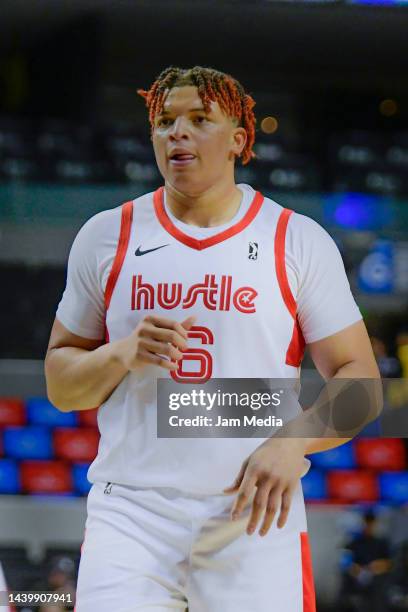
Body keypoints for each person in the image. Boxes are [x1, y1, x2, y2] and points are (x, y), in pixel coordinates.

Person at [44, 66, 380, 611]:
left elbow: (362, 385)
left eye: (200, 119)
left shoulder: (295, 240)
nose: (178, 132)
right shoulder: (107, 235)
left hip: (253, 517)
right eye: (164, 121)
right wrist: (121, 352)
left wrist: (294, 442)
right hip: (131, 514)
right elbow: (62, 386)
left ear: (238, 140)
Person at [340, 509, 392, 612]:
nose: (368, 526)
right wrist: (355, 569)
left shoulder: (381, 542)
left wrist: (377, 567)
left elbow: (389, 563)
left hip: (377, 579)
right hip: (357, 577)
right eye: (367, 522)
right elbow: (345, 562)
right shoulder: (355, 543)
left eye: (371, 522)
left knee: (379, 587)